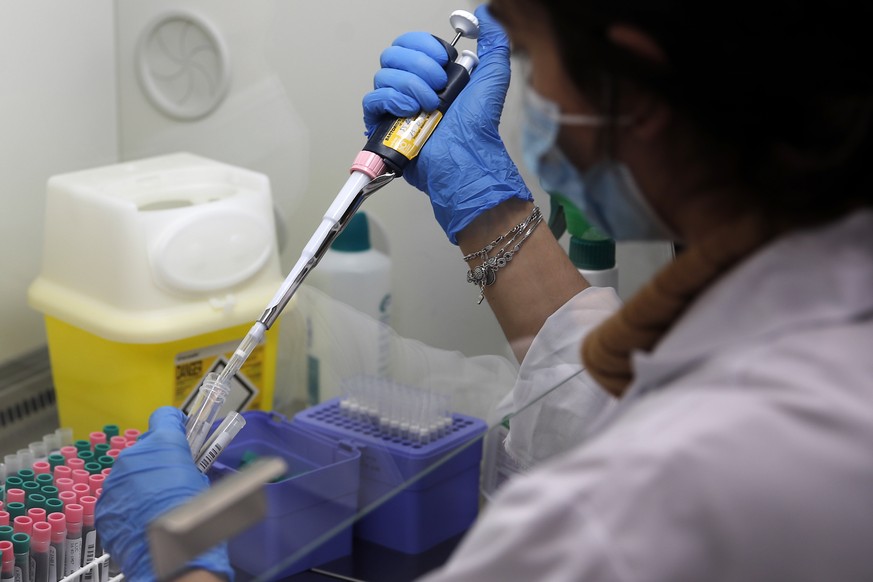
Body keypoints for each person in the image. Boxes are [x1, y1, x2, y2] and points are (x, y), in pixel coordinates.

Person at [96, 0, 873, 580]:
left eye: (531, 59)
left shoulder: (651, 496)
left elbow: (636, 463)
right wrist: (482, 198)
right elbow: (603, 401)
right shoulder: (812, 320)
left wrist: (183, 562)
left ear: (632, 94)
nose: (528, 98)